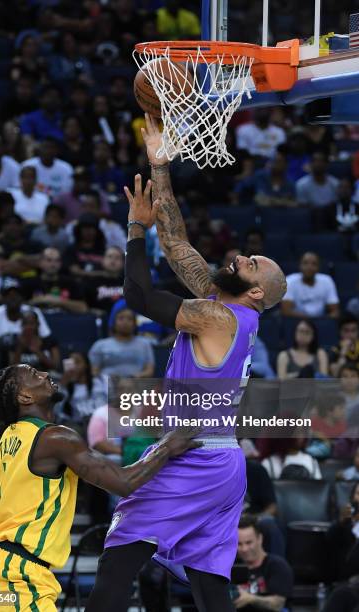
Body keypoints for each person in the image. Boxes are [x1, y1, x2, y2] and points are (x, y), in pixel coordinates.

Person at [84, 114, 287, 612]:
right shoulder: (226, 310)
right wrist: (160, 164)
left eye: (250, 262)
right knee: (208, 580)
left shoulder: (217, 318)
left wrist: (135, 230)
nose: (240, 256)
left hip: (193, 456)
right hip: (223, 462)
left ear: (256, 290)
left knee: (120, 555)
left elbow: (136, 293)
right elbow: (176, 245)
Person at [0, 364, 199, 609]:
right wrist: (165, 447)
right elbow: (124, 483)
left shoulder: (8, 438)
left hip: (0, 563)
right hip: (16, 568)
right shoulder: (55, 438)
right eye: (34, 375)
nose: (46, 374)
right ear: (24, 396)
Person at [0, 276, 52, 373]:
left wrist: (31, 344)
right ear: (3, 298)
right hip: (5, 360)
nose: (13, 298)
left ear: (22, 297)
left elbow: (47, 340)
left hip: (32, 356)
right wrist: (14, 344)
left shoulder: (33, 312)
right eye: (9, 295)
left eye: (16, 294)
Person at [234, 514, 293, 611]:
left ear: (260, 539)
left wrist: (250, 599)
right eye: (239, 544)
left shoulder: (277, 565)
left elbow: (278, 604)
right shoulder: (230, 567)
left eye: (249, 543)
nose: (244, 549)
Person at [88, 307, 155, 378]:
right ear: (114, 323)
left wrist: (136, 377)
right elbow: (93, 371)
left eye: (129, 319)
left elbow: (149, 371)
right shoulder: (100, 345)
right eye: (121, 318)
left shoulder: (144, 344)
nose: (125, 322)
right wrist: (106, 378)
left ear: (135, 324)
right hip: (106, 386)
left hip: (135, 385)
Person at [22, 247, 87, 314]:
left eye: (57, 261)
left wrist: (58, 301)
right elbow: (21, 307)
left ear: (60, 263)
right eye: (49, 260)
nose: (53, 264)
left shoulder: (71, 282)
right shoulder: (29, 283)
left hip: (63, 321)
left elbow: (83, 308)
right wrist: (40, 300)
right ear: (40, 262)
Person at [281, 251, 340, 318]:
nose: (309, 267)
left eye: (314, 264)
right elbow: (286, 311)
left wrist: (320, 322)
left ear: (319, 267)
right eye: (305, 263)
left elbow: (335, 311)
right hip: (297, 322)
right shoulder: (289, 280)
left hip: (320, 323)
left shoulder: (327, 280)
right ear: (300, 265)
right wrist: (311, 320)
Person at [57, 352, 107, 425]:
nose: (74, 367)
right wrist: (62, 385)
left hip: (104, 421)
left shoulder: (101, 380)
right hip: (80, 426)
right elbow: (58, 412)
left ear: (86, 365)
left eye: (77, 362)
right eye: (71, 364)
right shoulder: (65, 388)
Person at [84, 246, 125, 314]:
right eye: (109, 256)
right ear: (103, 260)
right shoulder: (92, 282)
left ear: (123, 263)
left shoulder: (129, 282)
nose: (113, 260)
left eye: (117, 258)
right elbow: (85, 306)